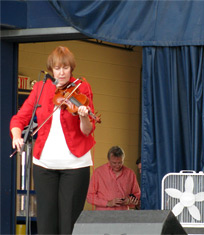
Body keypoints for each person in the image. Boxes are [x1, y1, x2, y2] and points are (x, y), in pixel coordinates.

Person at [10, 46, 97, 234]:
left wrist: (83, 115)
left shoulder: (81, 87)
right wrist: (17, 136)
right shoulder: (41, 88)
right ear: (51, 70)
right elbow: (20, 118)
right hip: (44, 164)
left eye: (65, 68)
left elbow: (88, 130)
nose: (62, 72)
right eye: (57, 68)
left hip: (75, 164)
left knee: (69, 223)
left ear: (71, 68)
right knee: (46, 222)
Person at [87, 146, 141, 210]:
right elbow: (90, 197)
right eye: (114, 163)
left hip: (123, 216)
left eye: (120, 162)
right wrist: (108, 203)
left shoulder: (130, 173)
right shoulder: (98, 172)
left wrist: (129, 201)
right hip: (103, 215)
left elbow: (137, 195)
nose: (117, 166)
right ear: (109, 160)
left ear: (123, 159)